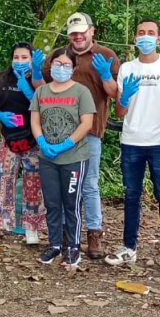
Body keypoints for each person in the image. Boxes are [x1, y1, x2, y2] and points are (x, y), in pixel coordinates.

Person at [41, 13, 119, 260]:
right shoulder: (59, 56)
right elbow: (41, 88)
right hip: (57, 133)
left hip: (91, 131)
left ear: (92, 31)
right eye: (73, 32)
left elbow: (115, 94)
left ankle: (94, 234)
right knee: (63, 188)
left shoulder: (105, 55)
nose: (78, 36)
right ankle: (64, 234)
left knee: (89, 185)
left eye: (82, 31)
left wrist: (105, 75)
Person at [107, 19, 160, 270]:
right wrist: (124, 96)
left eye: (151, 33)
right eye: (141, 33)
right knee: (131, 196)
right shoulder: (127, 68)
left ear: (159, 39)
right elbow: (119, 111)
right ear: (135, 39)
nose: (145, 37)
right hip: (131, 141)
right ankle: (129, 248)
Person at [31, 47, 97, 267]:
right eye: (57, 64)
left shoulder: (81, 91)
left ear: (74, 67)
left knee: (71, 203)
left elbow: (87, 123)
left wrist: (66, 144)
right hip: (47, 158)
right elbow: (35, 120)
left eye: (66, 65)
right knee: (51, 203)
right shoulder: (42, 92)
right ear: (50, 66)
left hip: (73, 157)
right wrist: (41, 141)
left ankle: (74, 247)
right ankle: (55, 244)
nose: (61, 68)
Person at [0, 43, 46, 245]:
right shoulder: (1, 79)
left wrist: (31, 84)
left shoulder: (39, 78)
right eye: (16, 57)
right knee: (1, 180)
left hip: (33, 138)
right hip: (9, 138)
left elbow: (45, 101)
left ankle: (31, 229)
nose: (19, 61)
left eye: (24, 57)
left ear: (31, 59)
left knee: (33, 183)